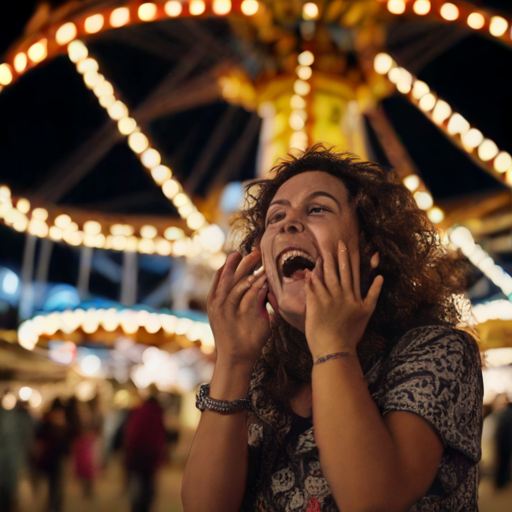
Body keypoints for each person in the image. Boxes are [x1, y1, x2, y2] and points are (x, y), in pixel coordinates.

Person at [182, 144, 483, 512]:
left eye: (317, 209)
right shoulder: (261, 373)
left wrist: (332, 344)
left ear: (371, 246)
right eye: (275, 217)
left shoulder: (437, 351)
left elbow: (372, 500)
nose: (289, 223)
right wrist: (232, 359)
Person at [124, 385, 166, 512]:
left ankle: (138, 507)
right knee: (148, 486)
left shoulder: (141, 410)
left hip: (138, 455)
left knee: (138, 488)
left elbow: (133, 434)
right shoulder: (158, 412)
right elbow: (160, 436)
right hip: (151, 457)